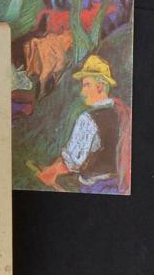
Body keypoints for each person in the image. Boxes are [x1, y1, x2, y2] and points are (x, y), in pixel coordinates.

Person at [36, 55, 128, 194]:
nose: (82, 91)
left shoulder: (87, 119)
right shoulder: (122, 113)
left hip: (94, 189)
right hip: (118, 188)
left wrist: (51, 172)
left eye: (86, 85)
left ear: (100, 86)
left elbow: (73, 162)